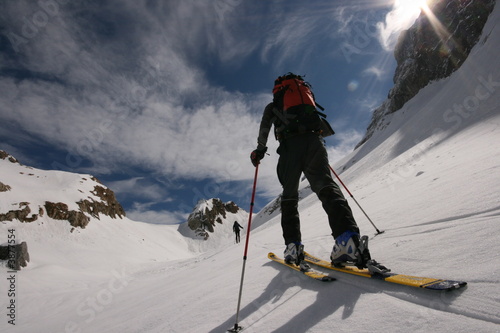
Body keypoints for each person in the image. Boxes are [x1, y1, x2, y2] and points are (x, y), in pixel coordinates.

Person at [250, 73, 370, 269]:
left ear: (276, 91)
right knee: (327, 188)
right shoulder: (306, 100)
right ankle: (348, 241)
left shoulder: (273, 107)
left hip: (290, 147)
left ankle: (293, 247)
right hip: (315, 142)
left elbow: (264, 128)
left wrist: (260, 150)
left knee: (289, 198)